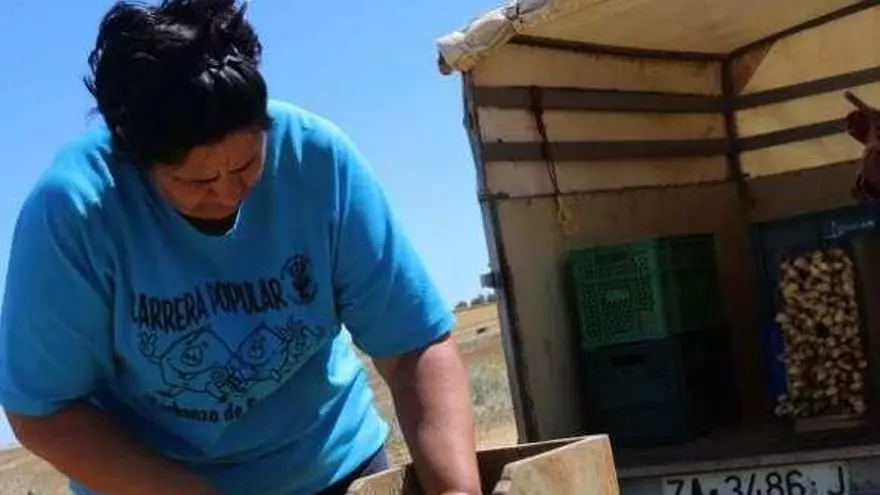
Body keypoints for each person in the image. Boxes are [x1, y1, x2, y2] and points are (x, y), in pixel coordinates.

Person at [0, 1, 482, 494]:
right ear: (134, 156)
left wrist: (455, 490)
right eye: (197, 181)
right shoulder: (75, 212)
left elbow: (413, 346)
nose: (228, 193)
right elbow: (43, 410)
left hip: (331, 468)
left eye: (247, 165)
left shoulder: (316, 161)